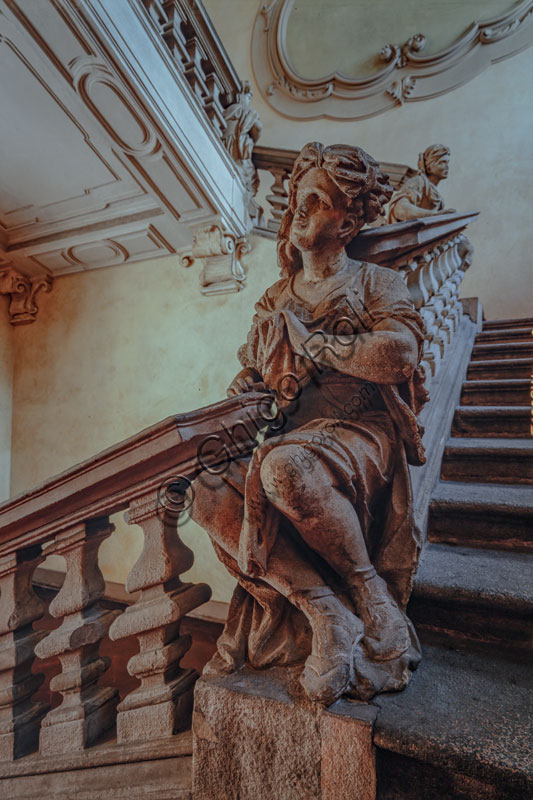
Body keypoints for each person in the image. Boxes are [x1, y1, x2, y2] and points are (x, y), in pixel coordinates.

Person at [190, 142, 429, 704]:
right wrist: (248, 385)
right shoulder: (276, 295)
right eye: (299, 195)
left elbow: (400, 354)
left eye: (317, 200)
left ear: (347, 222)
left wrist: (318, 342)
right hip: (289, 430)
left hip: (358, 429)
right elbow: (256, 370)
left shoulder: (374, 282)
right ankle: (325, 611)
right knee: (201, 491)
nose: (299, 207)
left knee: (286, 470)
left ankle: (368, 592)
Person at [388, 143, 453, 222]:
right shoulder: (418, 181)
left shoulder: (439, 199)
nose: (447, 166)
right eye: (442, 162)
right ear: (429, 168)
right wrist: (434, 215)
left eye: (447, 162)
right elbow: (399, 209)